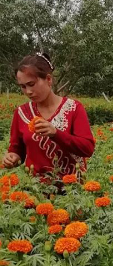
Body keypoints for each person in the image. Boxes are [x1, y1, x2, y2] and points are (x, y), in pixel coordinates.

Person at [2, 53, 95, 181]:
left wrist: (56, 133)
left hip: (72, 191)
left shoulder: (74, 108)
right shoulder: (22, 113)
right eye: (23, 86)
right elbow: (16, 149)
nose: (28, 91)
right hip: (36, 191)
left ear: (49, 79)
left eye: (32, 84)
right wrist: (12, 157)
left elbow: (87, 148)